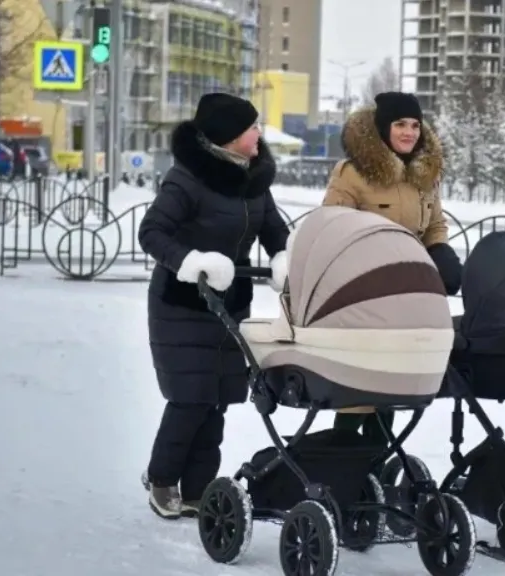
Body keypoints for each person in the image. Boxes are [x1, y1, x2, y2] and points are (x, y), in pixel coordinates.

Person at [138, 93, 291, 519]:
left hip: (230, 306)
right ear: (228, 137)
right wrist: (194, 262)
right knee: (190, 398)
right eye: (252, 128)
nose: (259, 134)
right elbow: (152, 232)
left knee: (218, 399)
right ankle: (163, 480)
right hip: (182, 304)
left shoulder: (254, 180)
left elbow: (275, 231)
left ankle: (198, 489)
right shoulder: (186, 179)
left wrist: (283, 258)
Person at [321, 91, 461, 446]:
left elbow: (434, 224)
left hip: (408, 293)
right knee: (359, 389)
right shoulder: (352, 174)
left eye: (415, 125)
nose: (409, 132)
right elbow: (331, 228)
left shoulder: (424, 174)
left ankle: (376, 463)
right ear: (384, 128)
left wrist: (441, 252)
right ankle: (343, 462)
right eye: (400, 124)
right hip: (363, 294)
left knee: (391, 385)